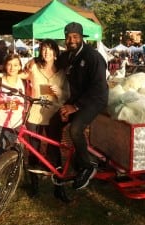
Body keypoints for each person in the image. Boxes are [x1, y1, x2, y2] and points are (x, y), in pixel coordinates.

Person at [48, 22, 109, 190]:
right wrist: (34, 63)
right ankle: (57, 165)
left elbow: (99, 87)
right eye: (68, 37)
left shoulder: (93, 57)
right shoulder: (68, 56)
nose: (71, 40)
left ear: (82, 38)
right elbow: (51, 63)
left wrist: (74, 107)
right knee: (54, 123)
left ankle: (88, 167)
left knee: (75, 128)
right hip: (77, 99)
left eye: (75, 37)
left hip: (95, 99)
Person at [22, 39, 70, 201]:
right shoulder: (34, 67)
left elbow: (67, 95)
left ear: (56, 54)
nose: (46, 53)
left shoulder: (62, 73)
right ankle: (34, 186)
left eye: (50, 50)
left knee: (54, 151)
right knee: (33, 150)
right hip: (34, 114)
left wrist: (59, 92)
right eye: (43, 49)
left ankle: (59, 188)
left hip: (53, 116)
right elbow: (20, 75)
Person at [0, 54, 26, 164]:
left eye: (15, 65)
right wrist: (4, 105)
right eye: (9, 64)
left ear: (19, 67)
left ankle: (13, 180)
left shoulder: (24, 82)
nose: (12, 68)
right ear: (4, 66)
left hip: (16, 127)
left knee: (18, 157)